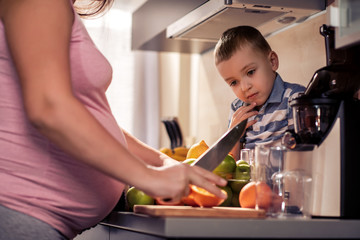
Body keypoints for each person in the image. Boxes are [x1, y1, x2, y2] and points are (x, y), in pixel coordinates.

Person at [0, 0, 227, 239]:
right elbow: (49, 107)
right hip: (22, 215)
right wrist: (148, 177)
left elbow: (87, 117)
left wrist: (162, 162)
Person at [214, 26, 306, 160]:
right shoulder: (237, 109)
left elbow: (303, 156)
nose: (244, 87)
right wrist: (233, 134)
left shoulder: (294, 98)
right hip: (250, 181)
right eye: (234, 82)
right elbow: (231, 163)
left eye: (250, 72)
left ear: (272, 62)